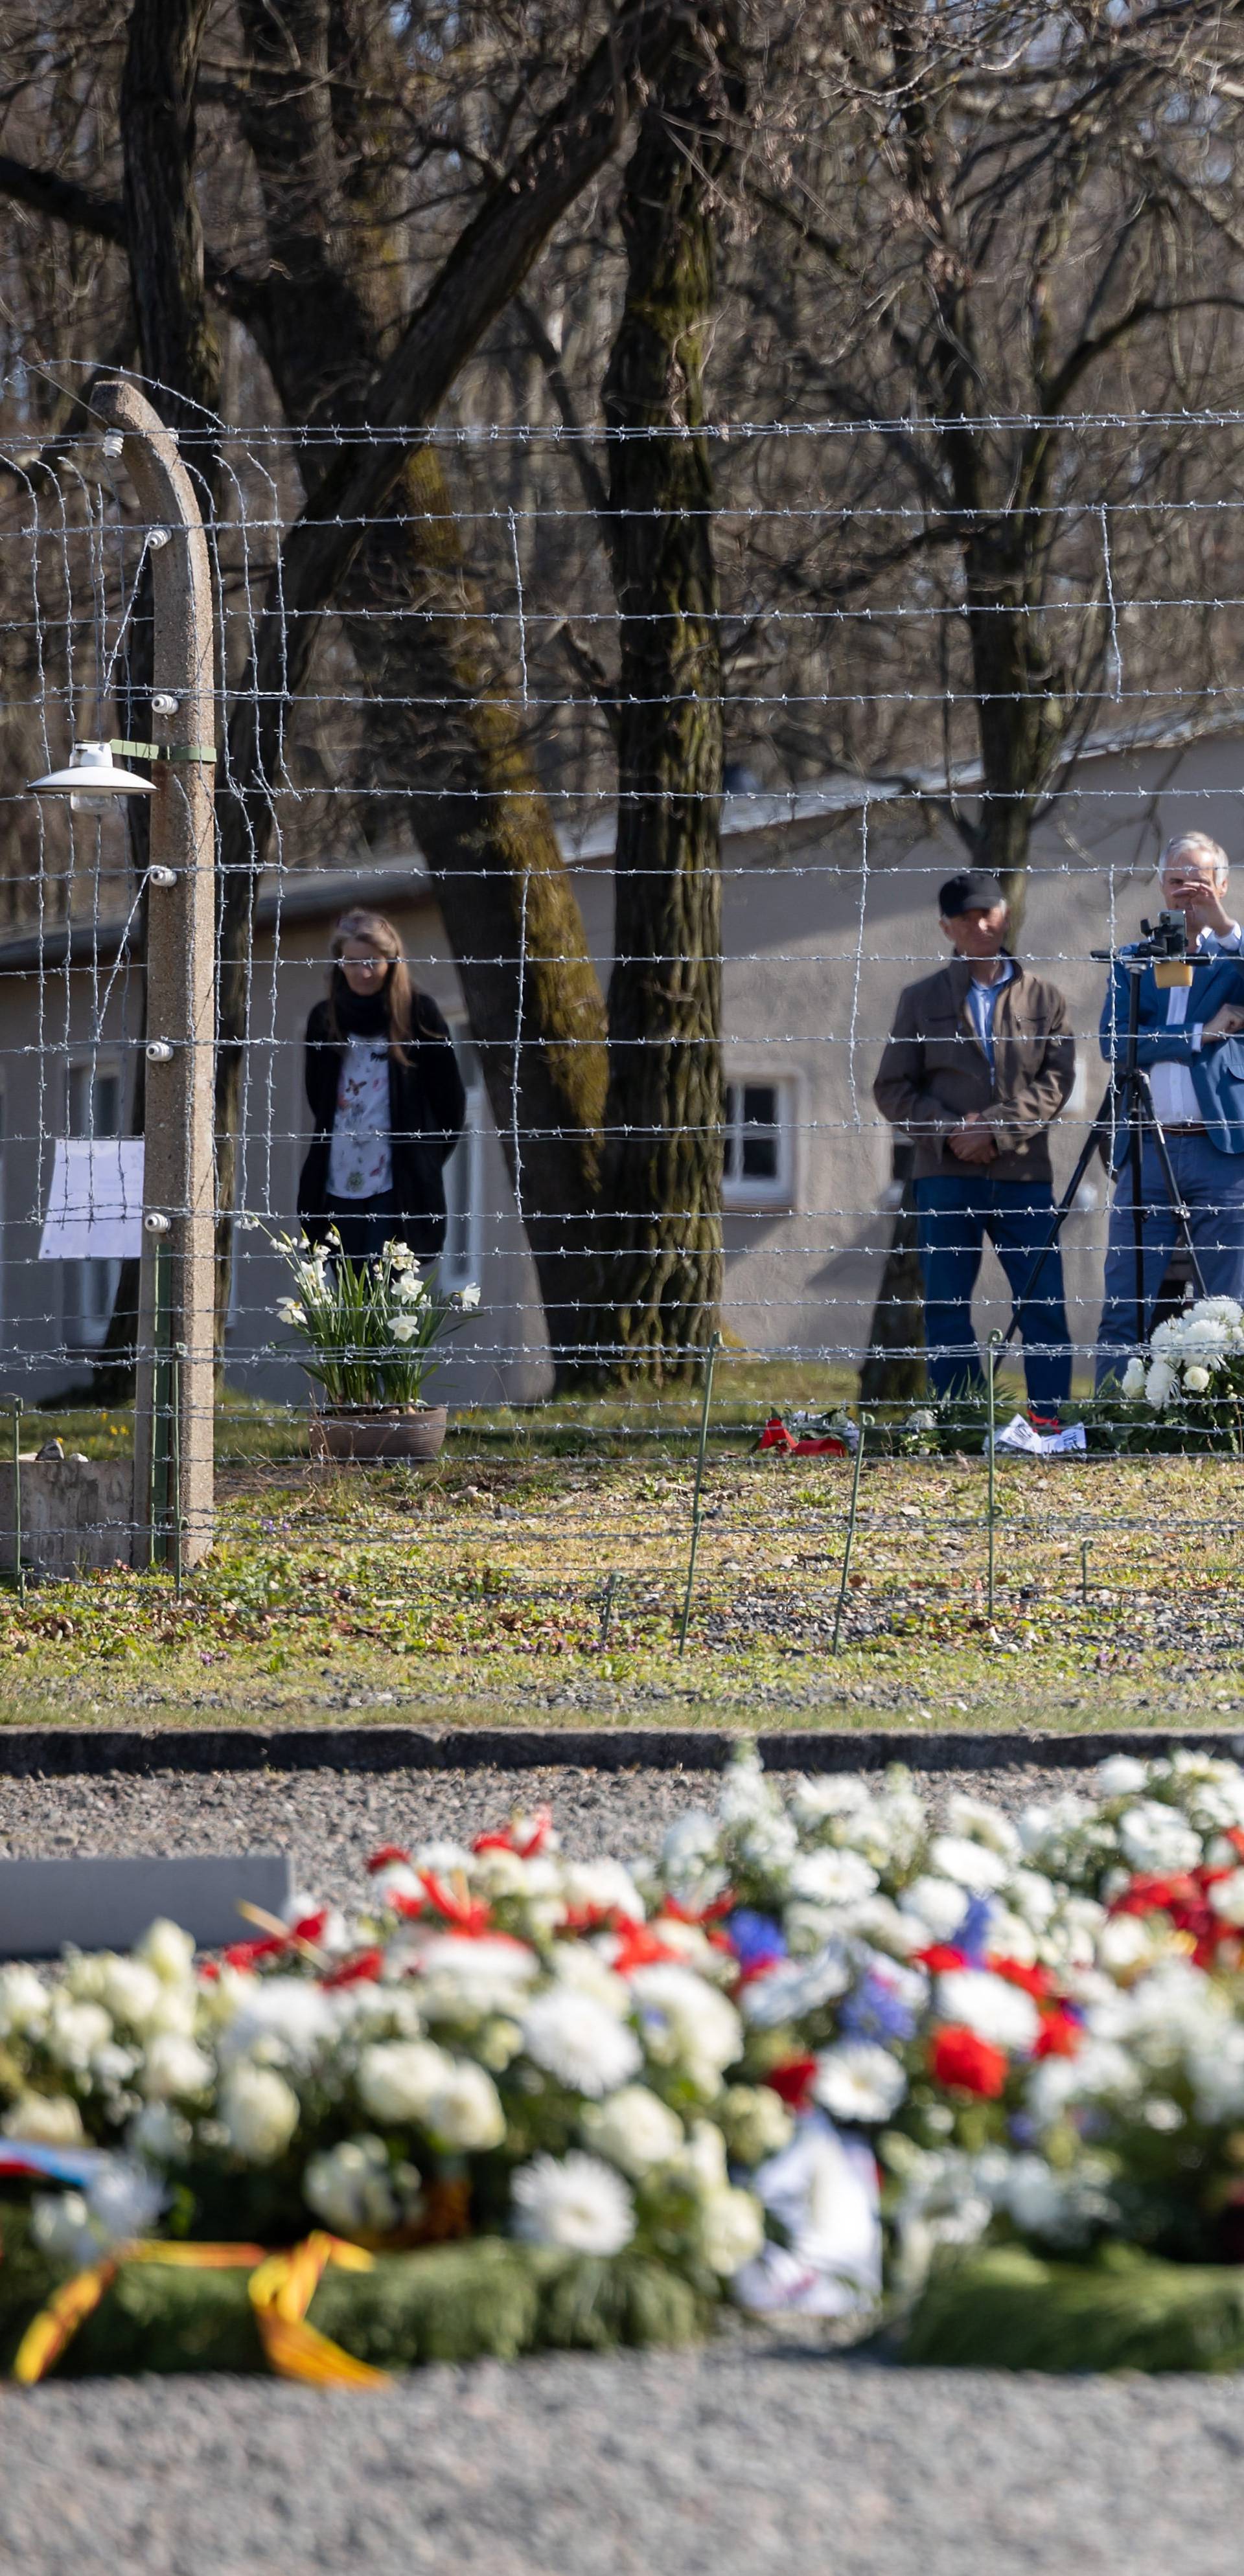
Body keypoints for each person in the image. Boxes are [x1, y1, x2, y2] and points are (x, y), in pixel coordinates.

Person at [873, 867, 1076, 1423]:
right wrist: (950, 1130)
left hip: (1024, 1175)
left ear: (1005, 918)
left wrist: (995, 1127)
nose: (980, 924)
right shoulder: (920, 1001)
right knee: (945, 1307)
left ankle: (1049, 1422)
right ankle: (962, 1424)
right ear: (946, 928)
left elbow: (1057, 1082)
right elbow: (891, 1088)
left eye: (989, 913)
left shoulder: (1045, 999)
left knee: (1043, 1303)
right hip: (945, 1174)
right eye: (966, 917)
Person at [1094, 831, 1244, 1384]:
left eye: (1199, 879)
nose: (1187, 891)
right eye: (1177, 879)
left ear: (1223, 884)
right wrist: (1199, 1033)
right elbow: (1115, 1042)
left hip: (1222, 1148)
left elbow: (1139, 1038)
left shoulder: (1235, 959)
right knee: (1126, 1300)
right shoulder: (1135, 962)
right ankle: (1113, 1417)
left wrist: (1223, 925)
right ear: (1161, 884)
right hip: (1149, 1147)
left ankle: (1223, 1419)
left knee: (1225, 1305)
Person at [297, 908, 467, 1265]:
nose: (363, 972)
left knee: (386, 1286)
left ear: (392, 961)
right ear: (339, 962)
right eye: (352, 962)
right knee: (347, 1292)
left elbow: (450, 1102)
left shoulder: (419, 1015)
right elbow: (319, 1097)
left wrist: (423, 1161)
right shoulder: (324, 1019)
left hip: (398, 1181)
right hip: (338, 1177)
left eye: (373, 961)